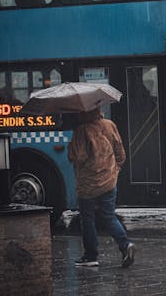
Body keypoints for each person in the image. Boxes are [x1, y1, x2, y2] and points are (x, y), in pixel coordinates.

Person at [68, 107, 135, 268]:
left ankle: (91, 256)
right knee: (109, 216)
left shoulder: (81, 131)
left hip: (87, 185)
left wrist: (71, 146)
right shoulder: (109, 125)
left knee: (88, 219)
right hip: (109, 181)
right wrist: (114, 169)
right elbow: (121, 154)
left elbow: (77, 157)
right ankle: (125, 245)